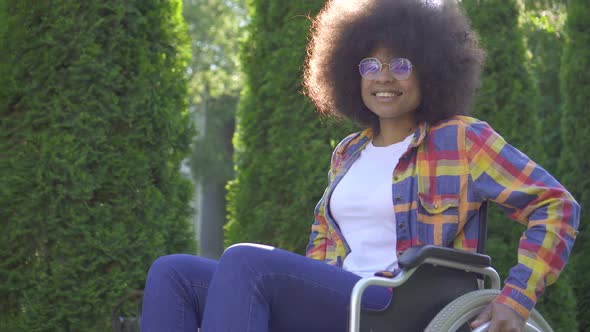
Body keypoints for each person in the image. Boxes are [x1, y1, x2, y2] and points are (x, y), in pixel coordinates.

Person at [140, 0, 580, 331]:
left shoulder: (462, 138)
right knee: (173, 273)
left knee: (246, 262)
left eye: (400, 65)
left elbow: (556, 206)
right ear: (352, 75)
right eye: (371, 64)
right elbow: (321, 253)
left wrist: (516, 298)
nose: (383, 77)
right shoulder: (347, 153)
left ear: (431, 71)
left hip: (401, 301)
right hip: (346, 297)